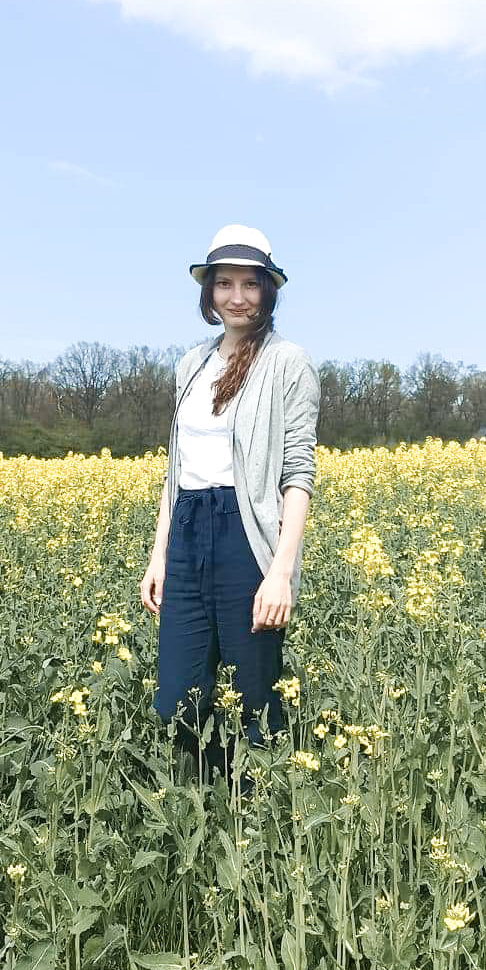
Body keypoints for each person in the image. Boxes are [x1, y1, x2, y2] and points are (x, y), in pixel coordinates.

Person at [140, 225, 320, 781]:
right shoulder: (190, 364)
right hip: (189, 528)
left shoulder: (289, 362)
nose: (236, 296)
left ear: (269, 291)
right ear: (208, 292)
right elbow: (176, 469)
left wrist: (280, 573)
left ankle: (258, 817)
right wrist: (158, 554)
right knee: (177, 701)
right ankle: (208, 801)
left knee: (255, 697)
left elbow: (297, 473)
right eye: (224, 283)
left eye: (249, 283)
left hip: (247, 536)